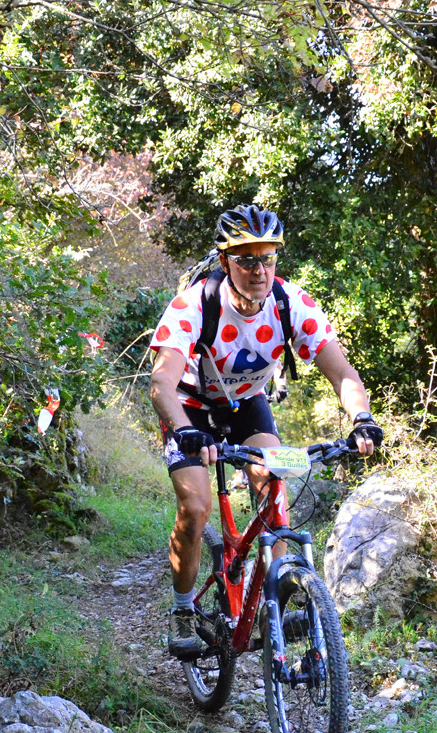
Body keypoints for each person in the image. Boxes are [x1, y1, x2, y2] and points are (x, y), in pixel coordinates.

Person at [149, 204, 383, 655]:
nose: (259, 270)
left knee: (271, 481)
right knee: (195, 507)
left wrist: (362, 419)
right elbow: (161, 383)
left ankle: (276, 601)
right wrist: (183, 430)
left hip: (245, 404)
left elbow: (343, 373)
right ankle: (182, 609)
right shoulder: (194, 305)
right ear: (225, 262)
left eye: (268, 257)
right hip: (188, 405)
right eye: (246, 259)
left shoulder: (291, 303)